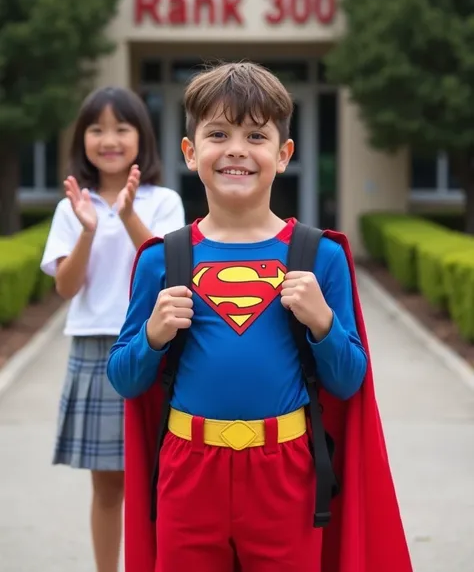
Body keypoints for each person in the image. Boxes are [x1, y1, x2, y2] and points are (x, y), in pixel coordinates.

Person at [107, 62, 413, 572]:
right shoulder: (164, 258)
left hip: (287, 473)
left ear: (284, 154)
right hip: (187, 470)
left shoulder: (320, 256)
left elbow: (348, 381)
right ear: (190, 152)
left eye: (255, 135)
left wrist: (323, 325)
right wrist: (152, 337)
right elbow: (125, 378)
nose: (236, 150)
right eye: (218, 134)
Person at [40, 86, 185, 572]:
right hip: (93, 347)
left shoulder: (162, 201)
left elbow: (166, 266)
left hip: (155, 343)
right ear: (81, 139)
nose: (109, 139)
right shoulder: (70, 206)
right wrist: (86, 228)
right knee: (107, 485)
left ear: (140, 136)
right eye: (96, 129)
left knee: (163, 478)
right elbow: (66, 287)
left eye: (121, 128)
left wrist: (126, 216)